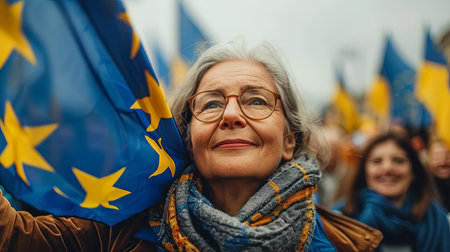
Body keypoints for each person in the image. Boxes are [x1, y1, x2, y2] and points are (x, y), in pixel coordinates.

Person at [0, 40, 382, 251]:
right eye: (212, 103)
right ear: (189, 136)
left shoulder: (348, 245)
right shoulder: (118, 230)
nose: (231, 115)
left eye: (256, 100)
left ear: (288, 141)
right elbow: (13, 237)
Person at [335, 132, 450, 251]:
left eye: (399, 160)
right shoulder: (339, 222)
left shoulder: (440, 221)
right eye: (377, 161)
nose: (388, 168)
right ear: (364, 172)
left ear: (414, 171)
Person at [426, 138, 450, 212]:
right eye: (437, 157)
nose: (443, 162)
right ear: (429, 160)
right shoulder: (423, 188)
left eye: (447, 155)